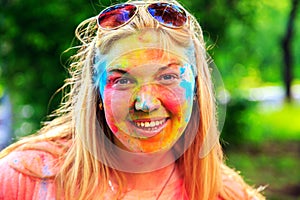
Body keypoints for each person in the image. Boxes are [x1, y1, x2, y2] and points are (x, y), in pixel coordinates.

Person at [0, 0, 265, 199]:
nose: (145, 103)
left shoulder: (226, 194)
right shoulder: (25, 179)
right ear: (98, 93)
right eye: (123, 80)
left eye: (167, 77)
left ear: (196, 89)